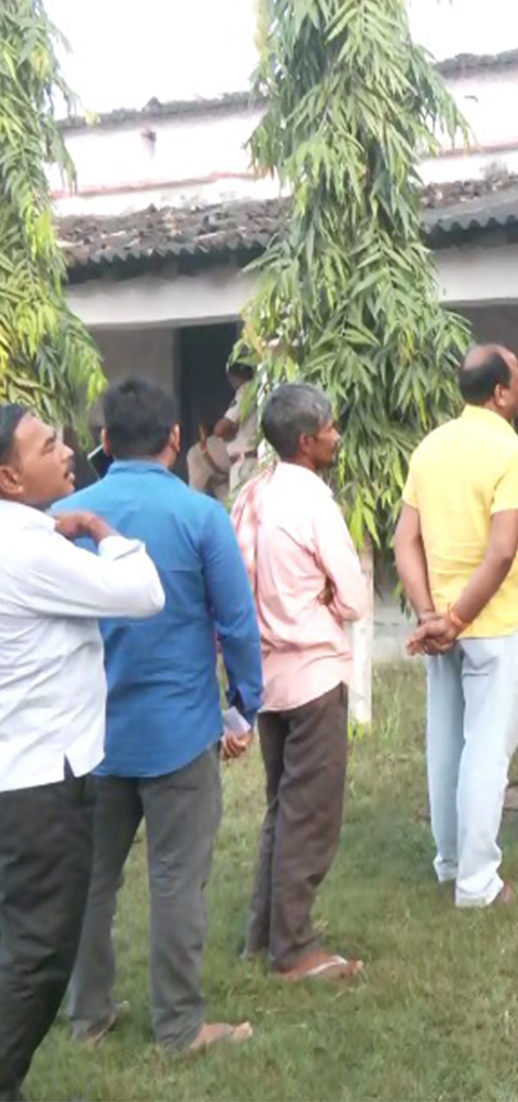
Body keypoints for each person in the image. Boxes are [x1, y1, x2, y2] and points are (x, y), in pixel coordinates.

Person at [61, 378, 262, 1053]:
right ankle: (178, 1025)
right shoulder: (202, 516)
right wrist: (242, 709)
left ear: (105, 442)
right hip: (179, 732)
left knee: (92, 879)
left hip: (89, 734)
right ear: (177, 440)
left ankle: (86, 1016)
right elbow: (237, 625)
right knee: (177, 879)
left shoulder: (65, 515)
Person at [0, 403, 164, 1101]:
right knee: (39, 950)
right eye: (46, 446)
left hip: (21, 773)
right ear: (9, 476)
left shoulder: (24, 539)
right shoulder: (29, 550)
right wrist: (101, 530)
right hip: (41, 787)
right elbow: (142, 594)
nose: (67, 451)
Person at [395, 345, 518, 909]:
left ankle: (450, 861)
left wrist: (430, 612)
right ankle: (477, 882)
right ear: (500, 392)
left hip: (445, 624)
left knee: (447, 744)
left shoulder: (431, 448)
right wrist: (455, 619)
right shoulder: (509, 451)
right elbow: (503, 551)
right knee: (487, 749)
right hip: (491, 623)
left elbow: (405, 539)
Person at [231, 384, 367, 980]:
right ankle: (294, 947)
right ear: (308, 442)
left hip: (263, 678)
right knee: (310, 813)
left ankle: (261, 937)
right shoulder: (314, 501)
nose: (338, 435)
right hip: (311, 676)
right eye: (331, 428)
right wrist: (326, 604)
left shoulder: (250, 495)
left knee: (280, 807)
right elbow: (357, 597)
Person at [186, 361, 257, 502]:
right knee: (223, 490)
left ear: (233, 376)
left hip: (245, 461)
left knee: (194, 455)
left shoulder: (247, 390)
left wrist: (216, 427)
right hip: (254, 460)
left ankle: (191, 507)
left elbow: (222, 429)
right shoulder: (263, 387)